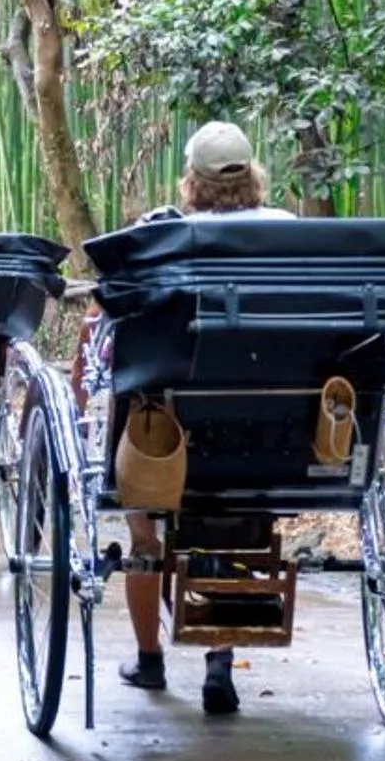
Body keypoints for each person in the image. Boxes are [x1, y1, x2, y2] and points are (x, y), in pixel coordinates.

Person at [114, 121, 292, 717]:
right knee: (239, 521)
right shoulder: (291, 235)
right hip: (277, 431)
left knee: (143, 528)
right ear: (254, 175)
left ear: (191, 181)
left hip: (175, 438)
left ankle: (150, 660)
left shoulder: (168, 236)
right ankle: (220, 665)